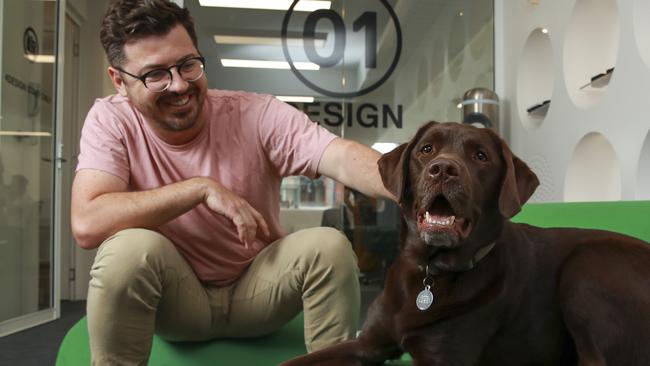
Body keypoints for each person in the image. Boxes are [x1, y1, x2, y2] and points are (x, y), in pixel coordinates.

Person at [70, 0, 394, 364]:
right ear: (119, 81)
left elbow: (339, 156)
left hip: (258, 293)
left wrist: (415, 186)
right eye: (155, 75)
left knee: (329, 245)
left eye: (188, 64)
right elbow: (87, 222)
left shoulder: (255, 112)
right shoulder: (111, 120)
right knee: (127, 250)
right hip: (177, 301)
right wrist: (199, 188)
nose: (179, 85)